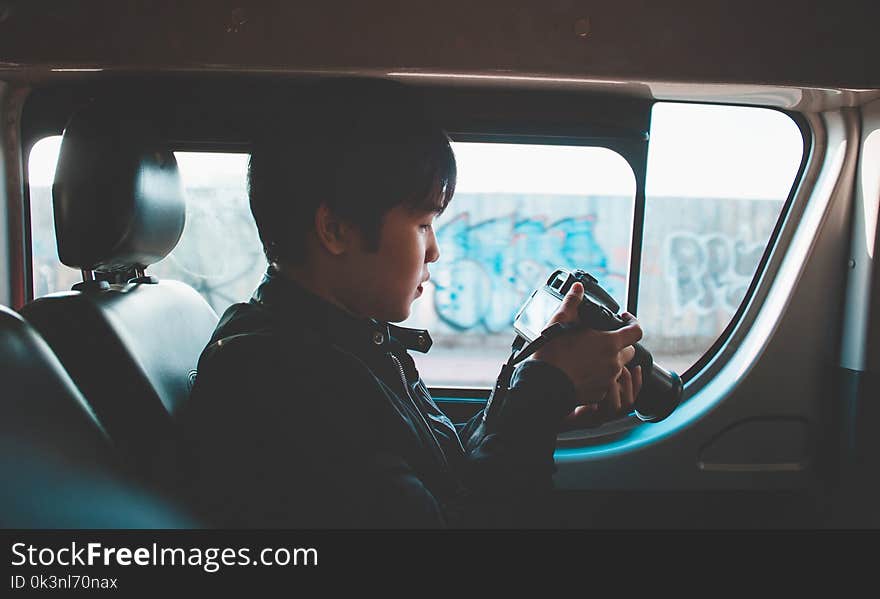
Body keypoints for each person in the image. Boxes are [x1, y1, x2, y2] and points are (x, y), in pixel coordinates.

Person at [177, 78, 643, 528]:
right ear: (335, 229)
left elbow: (437, 472)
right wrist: (538, 398)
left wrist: (542, 404)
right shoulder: (275, 379)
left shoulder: (346, 341)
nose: (435, 250)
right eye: (423, 224)